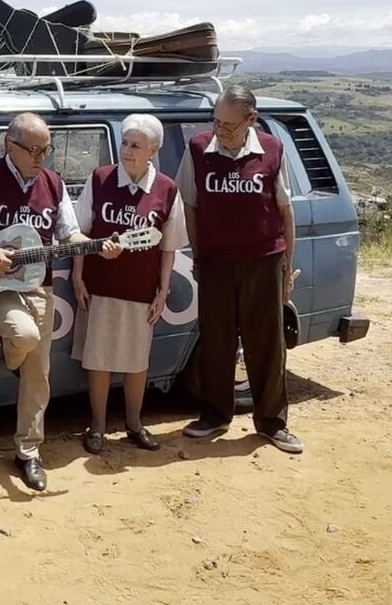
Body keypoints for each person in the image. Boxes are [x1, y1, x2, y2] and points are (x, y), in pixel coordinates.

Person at [0, 112, 118, 491]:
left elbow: (69, 235)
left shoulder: (53, 183)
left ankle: (29, 452)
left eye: (45, 150)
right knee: (26, 335)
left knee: (39, 374)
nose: (41, 157)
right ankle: (16, 349)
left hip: (38, 284)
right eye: (33, 149)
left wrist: (102, 247)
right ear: (9, 145)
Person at [175, 85, 303, 454]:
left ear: (251, 119)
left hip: (263, 259)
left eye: (229, 126)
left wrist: (286, 269)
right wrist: (199, 255)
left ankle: (272, 422)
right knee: (216, 341)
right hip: (215, 260)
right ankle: (215, 415)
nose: (220, 131)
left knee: (267, 342)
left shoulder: (272, 150)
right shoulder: (199, 148)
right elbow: (192, 206)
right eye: (216, 122)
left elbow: (285, 212)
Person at [72, 114, 186, 454]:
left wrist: (162, 291)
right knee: (99, 360)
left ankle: (135, 424)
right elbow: (80, 230)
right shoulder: (101, 178)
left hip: (141, 289)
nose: (127, 150)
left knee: (137, 362)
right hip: (100, 286)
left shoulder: (167, 189)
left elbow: (168, 247)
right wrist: (78, 275)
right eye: (124, 143)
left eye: (136, 145)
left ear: (153, 149)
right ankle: (97, 426)